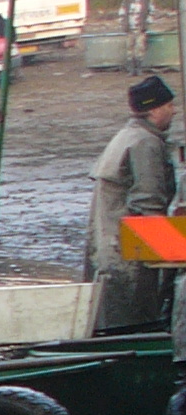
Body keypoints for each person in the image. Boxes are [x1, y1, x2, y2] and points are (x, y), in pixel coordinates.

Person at [85, 75, 179, 334]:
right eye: (169, 105)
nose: (174, 110)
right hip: (126, 252)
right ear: (154, 109)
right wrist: (174, 252)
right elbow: (148, 204)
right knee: (132, 320)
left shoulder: (127, 135)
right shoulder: (145, 143)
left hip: (107, 247)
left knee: (109, 318)